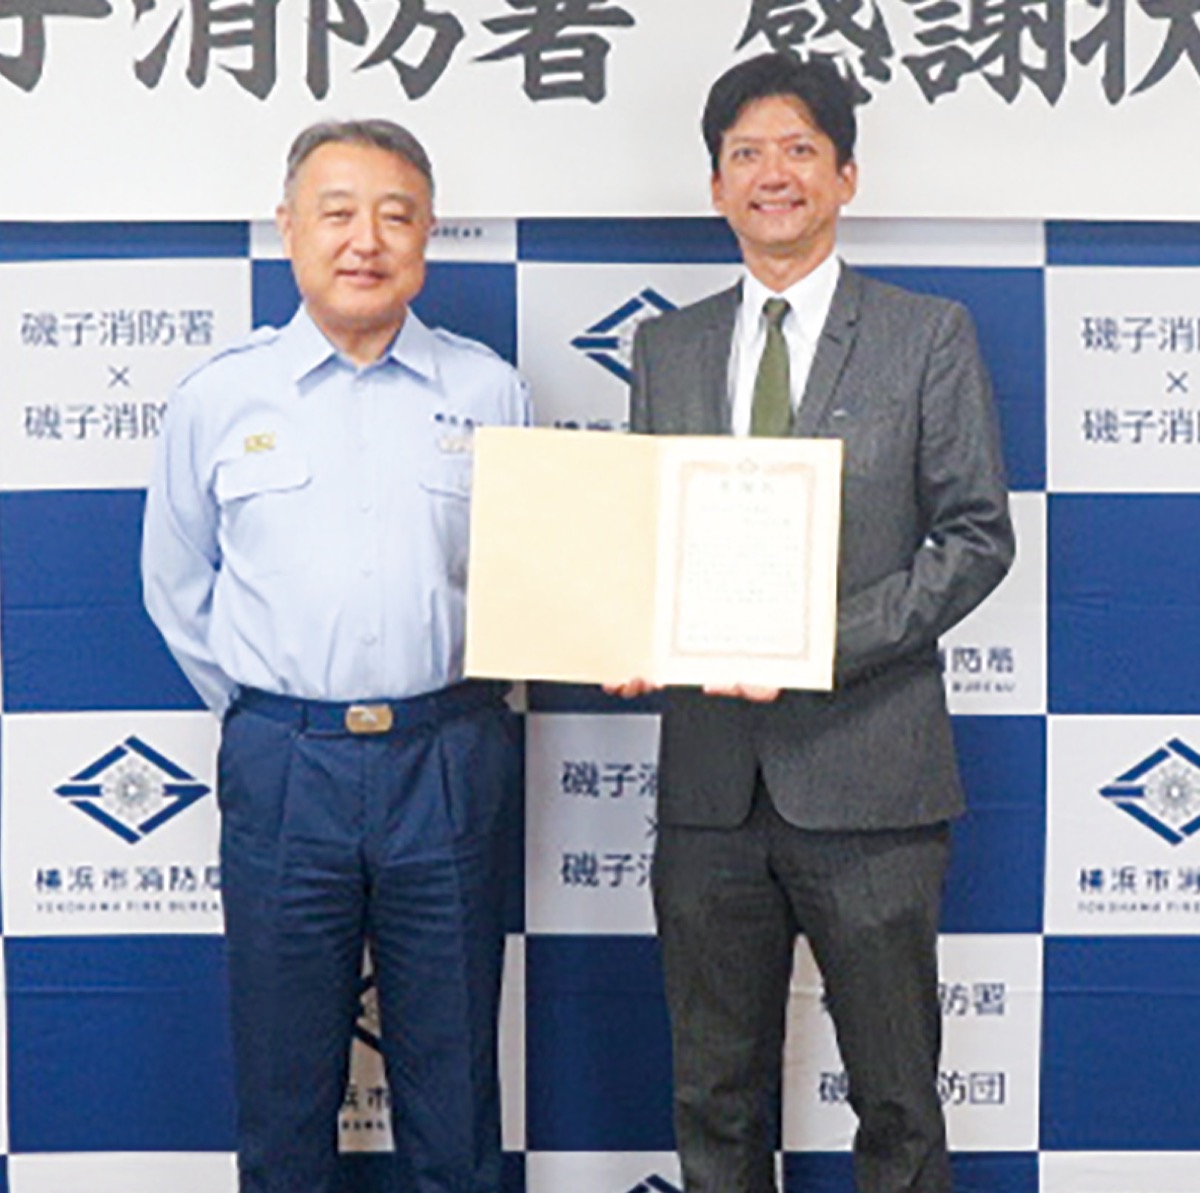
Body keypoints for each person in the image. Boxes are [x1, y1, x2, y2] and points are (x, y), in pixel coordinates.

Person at [609, 53, 1014, 1192]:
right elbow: (646, 538)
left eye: (798, 149)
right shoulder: (668, 347)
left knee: (897, 1100)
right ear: (716, 187)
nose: (772, 174)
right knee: (714, 1100)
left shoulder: (927, 334)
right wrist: (621, 626)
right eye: (745, 153)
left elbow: (976, 537)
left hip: (872, 783)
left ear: (845, 175)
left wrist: (812, 644)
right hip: (710, 789)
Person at [142, 119, 528, 1193]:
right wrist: (272, 710)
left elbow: (525, 583)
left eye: (396, 215)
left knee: (455, 1099)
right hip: (285, 764)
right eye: (338, 213)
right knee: (283, 1099)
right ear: (288, 228)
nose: (367, 240)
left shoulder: (488, 391)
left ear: (428, 234)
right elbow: (175, 585)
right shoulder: (219, 396)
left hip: (447, 755)